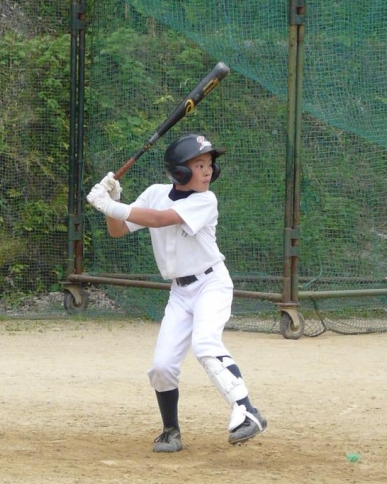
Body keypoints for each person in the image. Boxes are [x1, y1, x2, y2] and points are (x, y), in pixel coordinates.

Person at [86, 133, 266, 452]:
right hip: (180, 293)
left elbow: (159, 219)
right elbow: (118, 230)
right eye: (199, 165)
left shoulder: (205, 201)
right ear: (179, 171)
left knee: (205, 344)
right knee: (162, 366)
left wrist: (111, 204)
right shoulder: (155, 193)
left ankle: (247, 410)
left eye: (209, 164)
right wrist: (111, 205)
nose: (208, 171)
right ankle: (171, 431)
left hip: (211, 284)